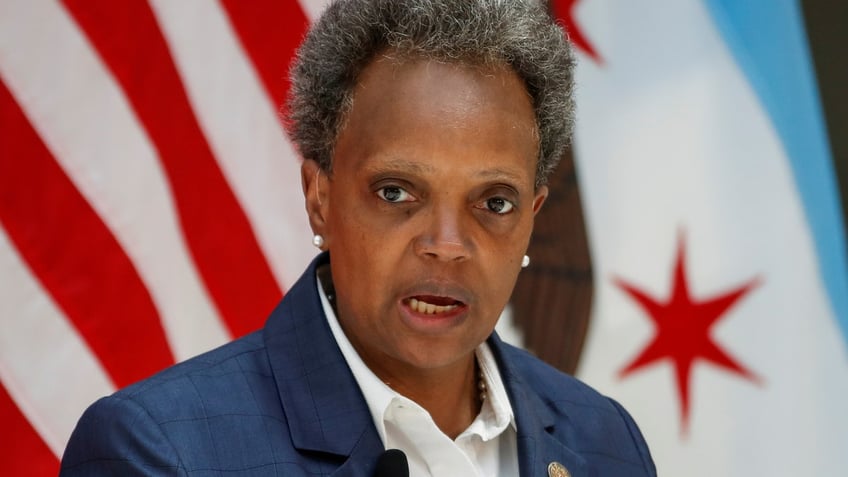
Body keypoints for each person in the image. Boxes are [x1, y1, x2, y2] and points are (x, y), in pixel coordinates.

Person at [60, 0, 656, 475]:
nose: (447, 243)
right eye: (397, 192)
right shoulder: (160, 450)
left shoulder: (604, 442)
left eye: (493, 203)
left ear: (533, 214)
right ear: (319, 199)